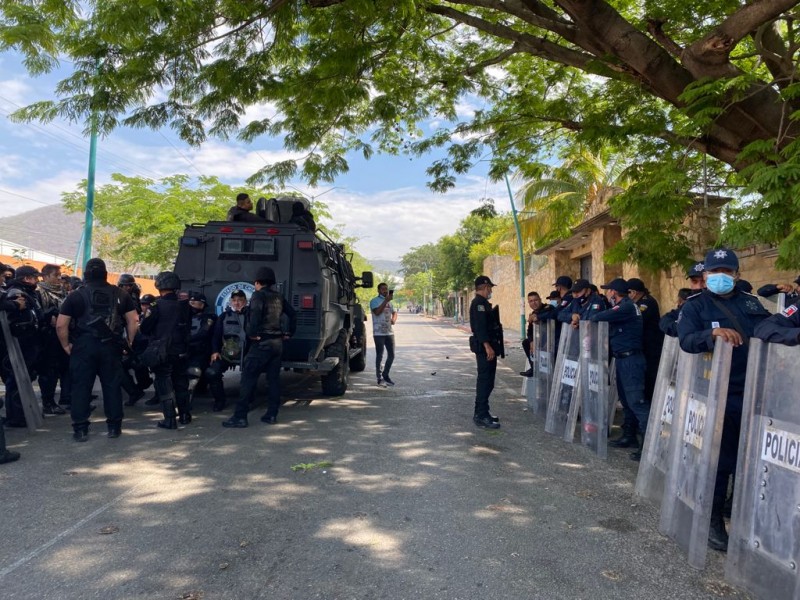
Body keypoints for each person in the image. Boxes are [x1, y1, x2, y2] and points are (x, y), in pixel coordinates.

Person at [677, 248, 770, 551]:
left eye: (727, 272)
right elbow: (687, 340)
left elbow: (769, 331)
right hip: (720, 395)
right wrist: (712, 336)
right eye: (714, 272)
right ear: (704, 276)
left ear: (737, 275)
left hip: (756, 392)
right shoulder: (695, 307)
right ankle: (712, 520)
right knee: (721, 461)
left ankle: (741, 513)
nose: (721, 277)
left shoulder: (750, 302)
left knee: (750, 459)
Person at [56, 258, 138, 441]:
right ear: (105, 274)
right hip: (111, 346)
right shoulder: (120, 294)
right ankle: (114, 427)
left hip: (83, 346)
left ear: (85, 275)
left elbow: (61, 325)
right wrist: (129, 342)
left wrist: (66, 345)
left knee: (81, 387)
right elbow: (133, 320)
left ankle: (80, 429)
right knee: (112, 386)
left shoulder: (76, 295)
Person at [222, 267, 296, 428]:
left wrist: (251, 333)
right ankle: (271, 414)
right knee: (273, 380)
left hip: (261, 343)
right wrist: (289, 332)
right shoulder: (279, 296)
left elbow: (254, 315)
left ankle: (240, 417)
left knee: (248, 379)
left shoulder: (258, 295)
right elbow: (292, 314)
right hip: (277, 343)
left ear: (257, 283)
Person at [591, 277, 648, 461]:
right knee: (627, 401)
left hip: (632, 360)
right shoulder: (626, 306)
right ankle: (629, 436)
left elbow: (599, 316)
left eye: (608, 291)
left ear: (614, 292)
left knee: (637, 403)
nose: (607, 294)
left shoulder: (625, 306)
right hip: (624, 359)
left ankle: (646, 447)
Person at [139, 271, 193, 429]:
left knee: (164, 383)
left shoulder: (156, 306)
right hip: (181, 350)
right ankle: (185, 415)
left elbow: (145, 328)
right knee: (181, 382)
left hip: (162, 351)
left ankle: (170, 419)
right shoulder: (185, 306)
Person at [2, 265, 45, 428]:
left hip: (29, 343)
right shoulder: (15, 293)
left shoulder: (28, 293)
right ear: (26, 278)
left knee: (25, 378)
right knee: (16, 380)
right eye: (35, 277)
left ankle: (22, 413)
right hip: (19, 345)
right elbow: (16, 321)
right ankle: (17, 416)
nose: (37, 280)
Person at [36, 263, 71, 414]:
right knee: (49, 371)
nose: (59, 279)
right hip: (47, 336)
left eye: (59, 275)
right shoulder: (39, 292)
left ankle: (67, 398)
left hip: (63, 333)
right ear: (46, 276)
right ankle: (48, 402)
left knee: (66, 368)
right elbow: (39, 313)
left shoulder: (63, 292)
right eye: (55, 275)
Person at [207, 289, 249, 412]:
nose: (237, 303)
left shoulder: (251, 316)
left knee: (250, 374)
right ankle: (219, 401)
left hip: (246, 354)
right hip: (226, 354)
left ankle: (247, 401)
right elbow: (215, 336)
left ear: (245, 302)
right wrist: (215, 351)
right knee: (212, 372)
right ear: (230, 302)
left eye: (240, 300)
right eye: (234, 300)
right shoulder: (224, 316)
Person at [469, 275, 502, 429]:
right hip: (485, 349)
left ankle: (482, 412)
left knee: (488, 382)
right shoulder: (478, 304)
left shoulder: (483, 303)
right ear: (485, 287)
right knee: (485, 381)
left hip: (488, 347)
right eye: (490, 288)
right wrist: (487, 346)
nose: (490, 291)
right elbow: (480, 328)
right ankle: (481, 415)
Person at [627, 277, 664, 408]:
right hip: (643, 347)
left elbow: (637, 320)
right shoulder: (635, 304)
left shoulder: (646, 303)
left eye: (628, 292)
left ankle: (653, 408)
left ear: (634, 292)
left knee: (650, 380)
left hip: (651, 348)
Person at [370, 283, 398, 387]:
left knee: (392, 355)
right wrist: (386, 301)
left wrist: (393, 320)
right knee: (380, 355)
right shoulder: (374, 301)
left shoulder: (390, 303)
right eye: (382, 289)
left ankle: (386, 375)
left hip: (389, 332)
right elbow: (377, 312)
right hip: (378, 333)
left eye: (386, 289)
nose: (385, 291)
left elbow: (394, 312)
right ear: (378, 290)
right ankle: (379, 377)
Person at [520, 291, 552, 377]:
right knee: (526, 342)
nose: (534, 303)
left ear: (540, 300)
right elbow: (529, 331)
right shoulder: (533, 314)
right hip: (539, 340)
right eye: (531, 301)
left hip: (550, 340)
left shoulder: (548, 308)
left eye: (535, 300)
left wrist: (536, 317)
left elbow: (549, 314)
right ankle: (534, 367)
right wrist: (531, 341)